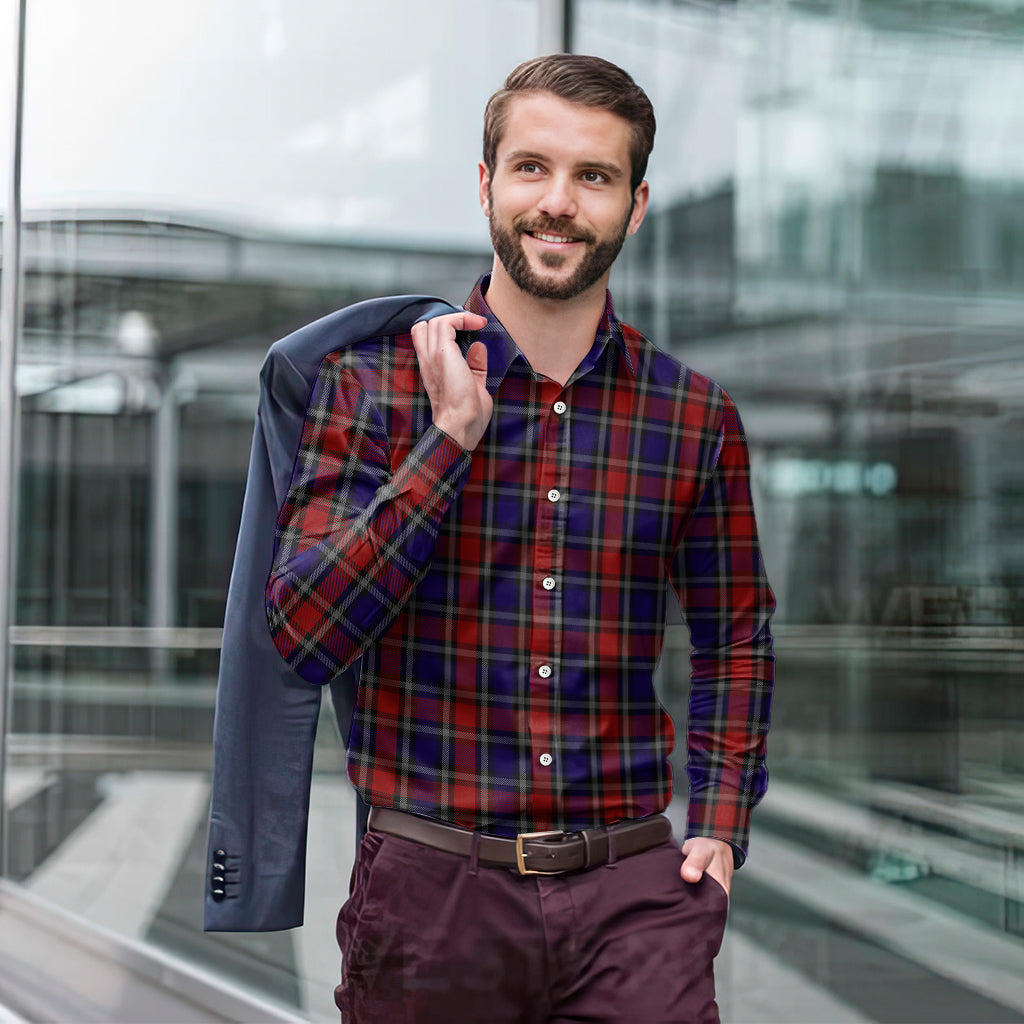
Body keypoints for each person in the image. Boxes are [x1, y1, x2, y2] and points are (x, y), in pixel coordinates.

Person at [265, 53, 775, 1024]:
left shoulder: (692, 417)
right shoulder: (371, 390)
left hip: (634, 898)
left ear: (636, 203)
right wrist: (449, 440)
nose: (559, 202)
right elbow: (303, 633)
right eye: (532, 167)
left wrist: (717, 821)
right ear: (487, 182)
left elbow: (735, 633)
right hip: (432, 898)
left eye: (595, 176)